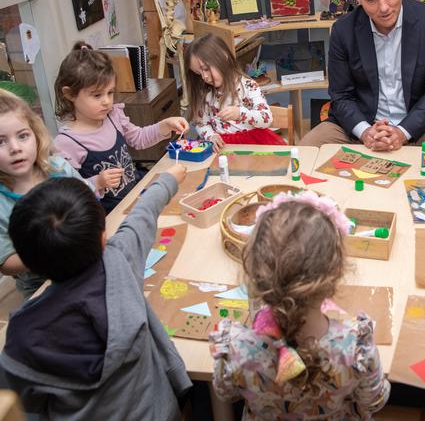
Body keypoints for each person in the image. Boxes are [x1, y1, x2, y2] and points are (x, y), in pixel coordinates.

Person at [0, 166, 193, 420]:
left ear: (25, 262)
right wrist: (168, 179)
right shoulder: (119, 260)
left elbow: (18, 406)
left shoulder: (20, 338)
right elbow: (142, 215)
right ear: (104, 237)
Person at [209, 191, 390, 419]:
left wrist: (224, 359)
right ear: (335, 274)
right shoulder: (356, 348)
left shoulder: (235, 347)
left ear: (255, 274)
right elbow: (375, 400)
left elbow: (224, 393)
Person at [301, 0, 425, 150]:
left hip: (420, 128)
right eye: (371, 0)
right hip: (358, 127)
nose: (384, 8)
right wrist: (365, 131)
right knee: (306, 151)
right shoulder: (343, 30)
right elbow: (340, 95)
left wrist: (402, 132)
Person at [53, 42, 189, 213]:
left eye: (110, 92)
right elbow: (68, 194)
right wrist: (98, 182)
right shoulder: (66, 143)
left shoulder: (113, 116)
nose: (107, 101)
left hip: (134, 199)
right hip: (109, 215)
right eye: (97, 95)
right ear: (70, 94)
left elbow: (139, 139)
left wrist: (165, 125)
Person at [0, 89, 94, 299]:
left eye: (23, 136)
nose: (15, 148)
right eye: (0, 142)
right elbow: (5, 264)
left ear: (36, 134)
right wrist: (53, 248)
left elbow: (89, 203)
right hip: (40, 286)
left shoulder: (59, 169)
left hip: (84, 263)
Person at [184, 34, 286, 148]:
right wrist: (210, 136)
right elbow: (201, 122)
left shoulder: (248, 86)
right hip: (223, 147)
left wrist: (240, 113)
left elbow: (266, 118)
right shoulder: (205, 92)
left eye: (206, 69)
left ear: (223, 57)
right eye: (198, 73)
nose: (204, 77)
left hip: (253, 145)